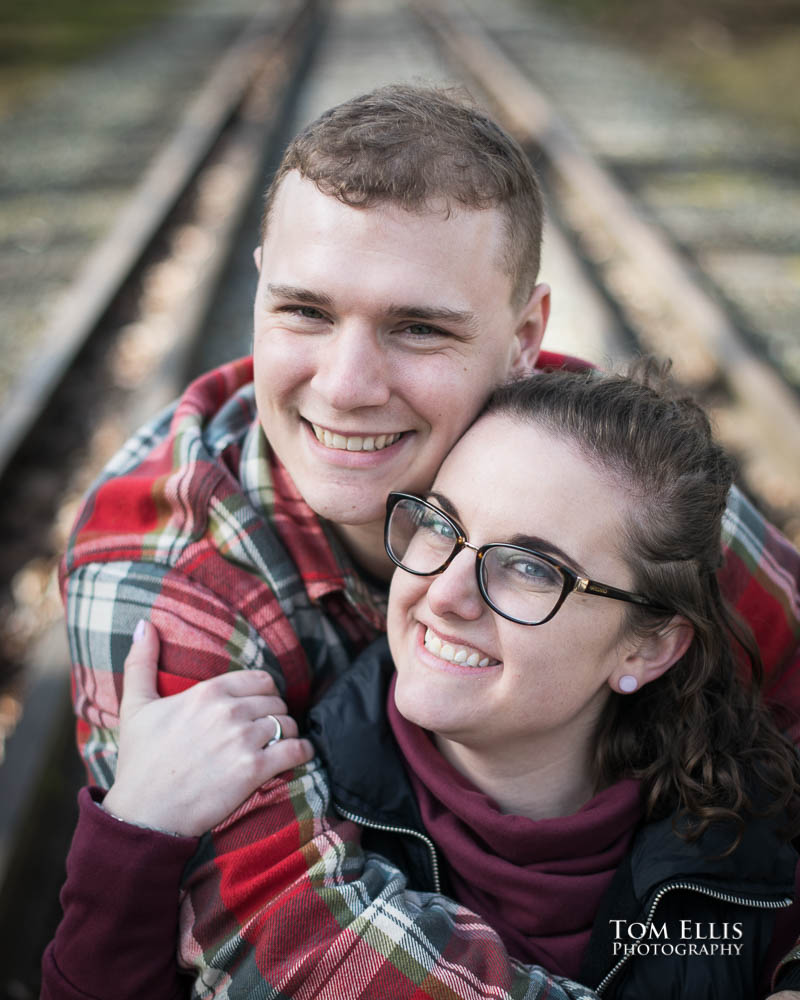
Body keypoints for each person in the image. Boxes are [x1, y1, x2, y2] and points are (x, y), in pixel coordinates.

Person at [56, 84, 800, 995]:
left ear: (525, 339)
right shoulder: (166, 572)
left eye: (418, 328)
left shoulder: (615, 479)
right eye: (306, 312)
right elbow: (295, 949)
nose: (346, 386)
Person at [44, 362, 800, 999]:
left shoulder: (745, 856)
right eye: (440, 525)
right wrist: (128, 846)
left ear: (649, 648)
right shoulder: (292, 809)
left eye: (532, 567)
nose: (444, 592)